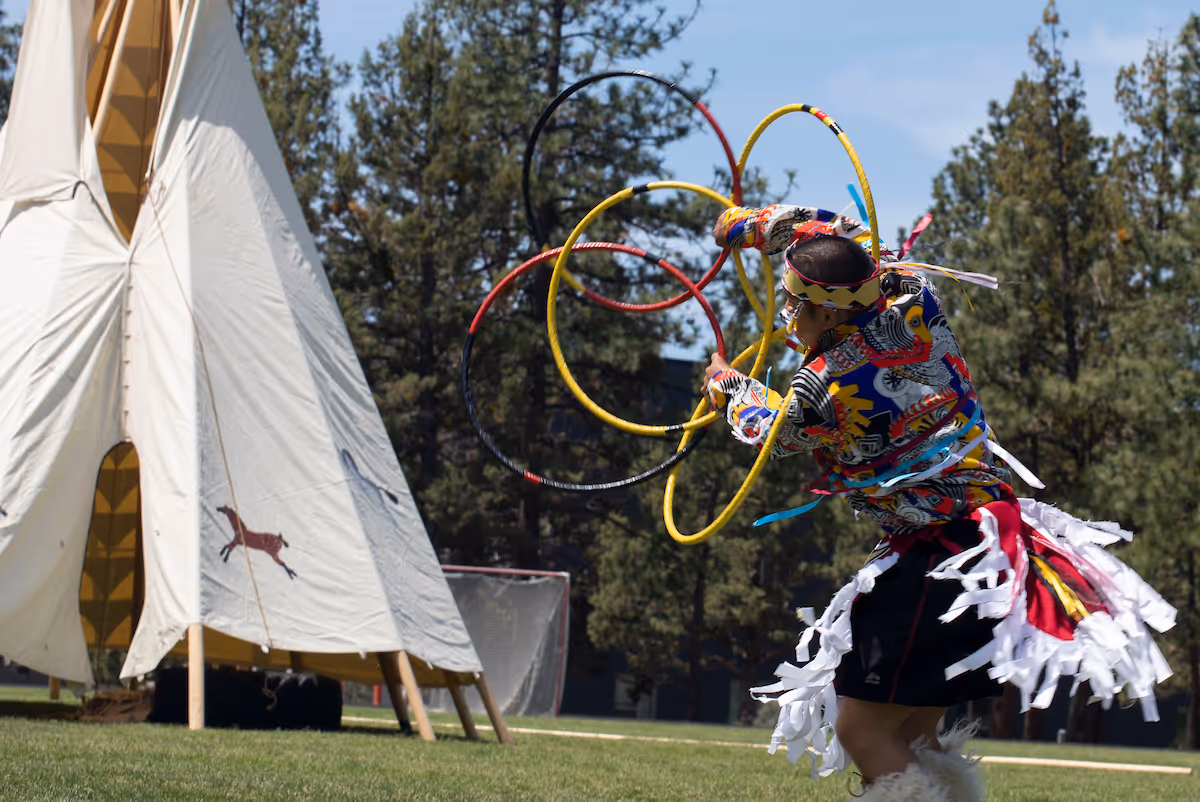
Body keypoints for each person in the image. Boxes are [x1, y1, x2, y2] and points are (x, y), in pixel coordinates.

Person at [703, 204, 1177, 801]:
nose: (788, 316)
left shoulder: (820, 387)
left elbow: (771, 428)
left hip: (935, 559)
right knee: (915, 733)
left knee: (861, 729)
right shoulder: (914, 297)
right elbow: (844, 236)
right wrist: (752, 225)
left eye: (795, 305)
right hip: (989, 548)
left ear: (826, 310)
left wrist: (724, 383)